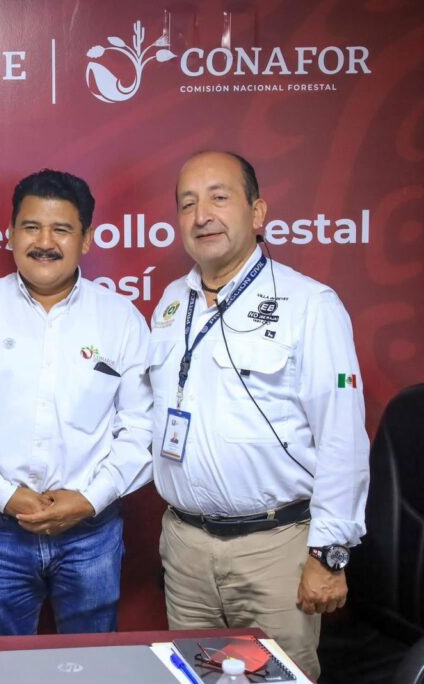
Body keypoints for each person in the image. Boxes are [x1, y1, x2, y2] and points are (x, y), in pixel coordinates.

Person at [148, 150, 369, 679]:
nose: (202, 215)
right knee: (195, 676)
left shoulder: (309, 305)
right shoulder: (172, 303)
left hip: (274, 551)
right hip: (186, 549)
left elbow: (342, 437)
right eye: (188, 204)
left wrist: (329, 554)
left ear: (257, 212)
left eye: (219, 198)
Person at [0, 169, 153, 635]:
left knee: (92, 663)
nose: (44, 242)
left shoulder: (121, 319)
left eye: (61, 229)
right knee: (1, 663)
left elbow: (141, 427)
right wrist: (6, 496)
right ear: (10, 234)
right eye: (31, 227)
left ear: (86, 239)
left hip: (91, 532)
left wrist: (88, 500)